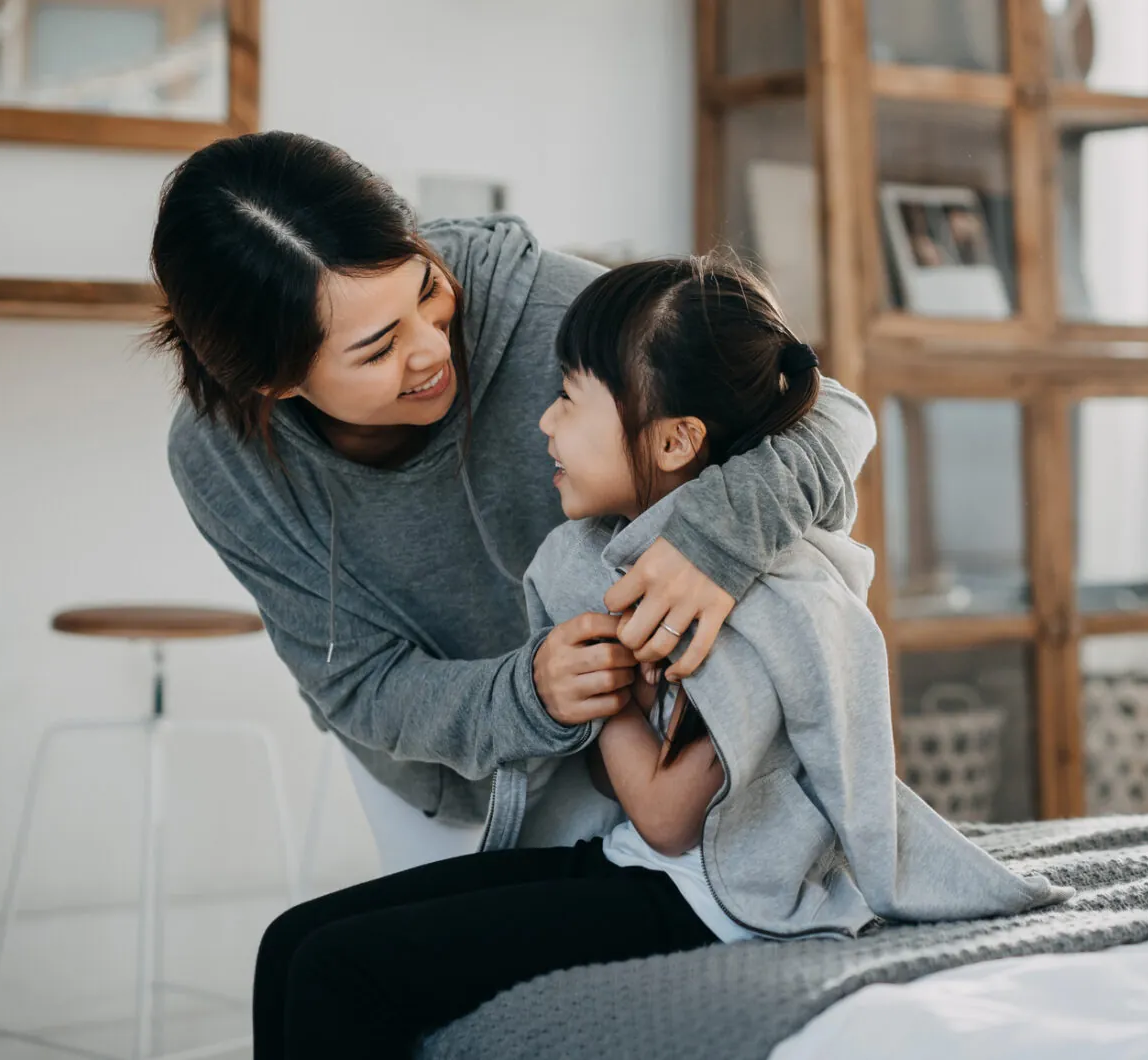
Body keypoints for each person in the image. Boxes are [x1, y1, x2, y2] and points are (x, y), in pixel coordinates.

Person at [250, 256, 1067, 1059]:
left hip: (712, 897)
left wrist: (602, 700)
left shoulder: (748, 603)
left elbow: (671, 818)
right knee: (291, 941)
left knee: (334, 970)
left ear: (675, 439)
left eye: (568, 399)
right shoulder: (617, 559)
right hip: (640, 865)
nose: (544, 424)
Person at [154, 131, 876, 858]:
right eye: (377, 349)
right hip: (443, 784)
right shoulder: (222, 462)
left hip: (658, 751)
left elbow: (833, 416)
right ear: (273, 383)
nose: (433, 348)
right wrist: (528, 695)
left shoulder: (549, 306)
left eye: (427, 288)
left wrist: (715, 540)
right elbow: (358, 684)